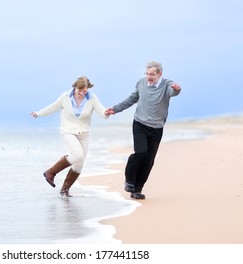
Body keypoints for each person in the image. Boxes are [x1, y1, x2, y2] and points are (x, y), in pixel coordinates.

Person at [106, 61, 181, 200]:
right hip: (140, 123)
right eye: (147, 74)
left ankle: (137, 189)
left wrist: (176, 89)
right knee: (141, 153)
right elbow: (132, 98)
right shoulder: (141, 83)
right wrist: (115, 109)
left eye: (152, 74)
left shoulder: (166, 84)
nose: (149, 77)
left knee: (149, 160)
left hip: (157, 128)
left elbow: (173, 91)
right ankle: (129, 180)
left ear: (160, 74)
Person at [31, 76, 109, 197]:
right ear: (75, 87)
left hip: (84, 134)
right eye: (80, 91)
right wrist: (39, 113)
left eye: (85, 91)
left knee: (79, 164)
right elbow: (53, 107)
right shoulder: (65, 97)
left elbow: (101, 111)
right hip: (68, 131)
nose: (82, 94)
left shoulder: (92, 98)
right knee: (77, 155)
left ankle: (64, 190)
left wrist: (107, 113)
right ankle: (50, 172)